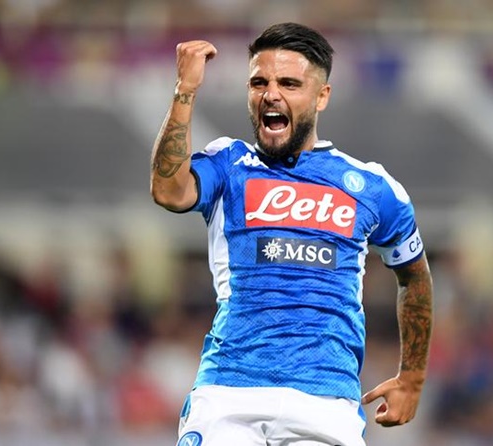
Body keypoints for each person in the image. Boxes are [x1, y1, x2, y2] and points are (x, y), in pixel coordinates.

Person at [150, 22, 433, 446]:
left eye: (288, 83)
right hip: (230, 391)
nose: (270, 94)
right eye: (258, 82)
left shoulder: (373, 187)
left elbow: (414, 276)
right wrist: (184, 91)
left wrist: (411, 378)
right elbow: (169, 190)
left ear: (322, 96)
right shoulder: (228, 163)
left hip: (325, 402)